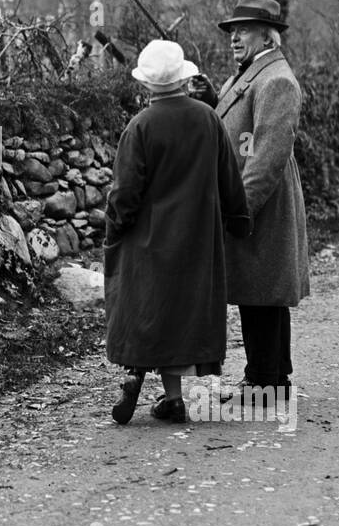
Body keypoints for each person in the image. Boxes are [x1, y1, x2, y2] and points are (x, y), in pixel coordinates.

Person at [106, 39, 251, 425]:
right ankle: (172, 399)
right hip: (198, 238)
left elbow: (125, 191)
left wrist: (117, 225)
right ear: (183, 78)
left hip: (149, 237)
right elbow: (230, 178)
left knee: (147, 305)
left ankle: (137, 371)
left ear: (147, 84)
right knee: (180, 313)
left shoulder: (140, 127)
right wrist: (239, 219)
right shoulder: (208, 119)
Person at [213, 0, 310, 397]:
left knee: (263, 292)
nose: (235, 37)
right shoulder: (253, 72)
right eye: (233, 31)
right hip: (253, 200)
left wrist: (241, 208)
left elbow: (268, 156)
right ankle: (268, 374)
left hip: (263, 202)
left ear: (268, 36)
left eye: (244, 30)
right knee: (258, 292)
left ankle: (267, 379)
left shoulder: (277, 80)